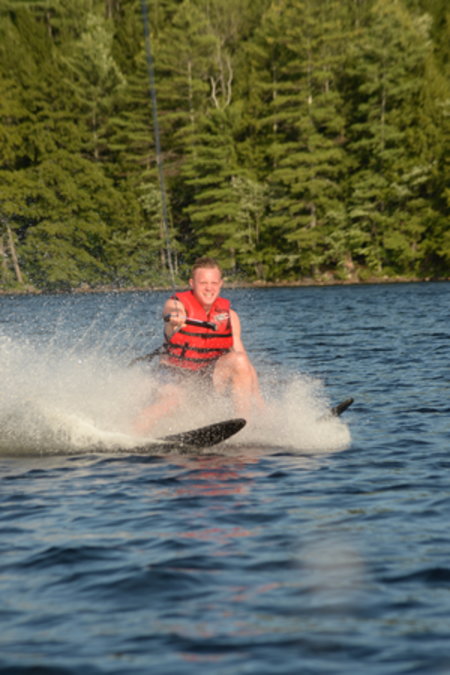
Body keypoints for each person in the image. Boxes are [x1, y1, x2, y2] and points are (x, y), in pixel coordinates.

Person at [134, 257, 264, 434]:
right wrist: (176, 317)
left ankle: (243, 426)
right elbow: (170, 310)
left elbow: (245, 366)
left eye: (213, 283)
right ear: (192, 283)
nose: (209, 288)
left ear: (220, 284)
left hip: (206, 378)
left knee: (239, 360)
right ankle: (131, 436)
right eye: (203, 283)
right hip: (173, 376)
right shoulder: (176, 305)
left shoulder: (230, 316)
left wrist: (260, 402)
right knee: (173, 399)